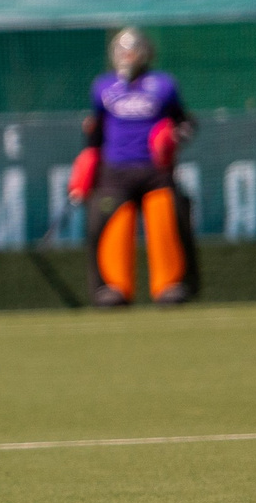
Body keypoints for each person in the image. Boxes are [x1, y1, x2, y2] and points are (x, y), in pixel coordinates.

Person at [69, 26, 198, 308]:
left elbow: (186, 122)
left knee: (166, 225)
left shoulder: (163, 84)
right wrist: (86, 164)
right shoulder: (103, 86)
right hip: (114, 173)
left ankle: (170, 286)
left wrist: (176, 136)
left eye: (133, 49)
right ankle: (113, 289)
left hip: (156, 172)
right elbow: (96, 130)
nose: (127, 55)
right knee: (112, 227)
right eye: (121, 50)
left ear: (146, 52)